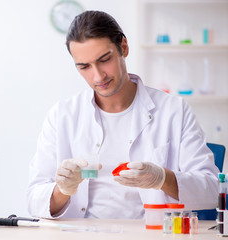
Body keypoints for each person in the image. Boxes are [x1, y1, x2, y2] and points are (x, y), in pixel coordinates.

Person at [27, 10, 219, 219]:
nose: (98, 76)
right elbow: (34, 200)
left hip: (150, 233)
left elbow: (212, 190)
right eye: (84, 67)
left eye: (104, 59)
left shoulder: (174, 111)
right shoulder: (62, 116)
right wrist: (62, 190)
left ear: (123, 47)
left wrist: (163, 178)